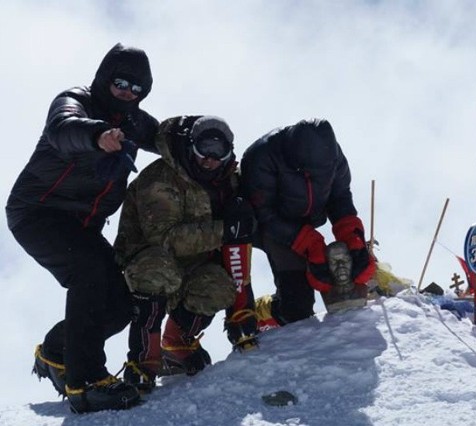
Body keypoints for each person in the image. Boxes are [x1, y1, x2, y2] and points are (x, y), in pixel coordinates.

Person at [5, 43, 158, 413]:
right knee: (87, 270)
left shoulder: (135, 121)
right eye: (121, 83)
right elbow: (63, 128)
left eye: (137, 89)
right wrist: (96, 135)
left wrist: (201, 136)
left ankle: (58, 352)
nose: (127, 93)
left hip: (83, 226)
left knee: (121, 304)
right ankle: (85, 382)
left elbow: (168, 137)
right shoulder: (76, 101)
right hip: (37, 213)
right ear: (106, 78)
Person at [114, 115, 257, 392]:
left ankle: (176, 345)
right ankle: (143, 363)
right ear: (191, 146)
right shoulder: (160, 179)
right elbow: (164, 239)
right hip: (145, 258)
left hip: (193, 262)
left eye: (219, 152)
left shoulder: (227, 180)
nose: (210, 160)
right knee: (160, 271)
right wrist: (225, 230)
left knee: (218, 287)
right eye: (204, 150)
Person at [240, 118, 376, 328]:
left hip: (304, 221)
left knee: (339, 264)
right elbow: (264, 215)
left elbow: (340, 196)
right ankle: (260, 313)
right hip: (267, 227)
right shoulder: (262, 157)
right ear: (298, 165)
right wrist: (309, 243)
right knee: (296, 310)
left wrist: (353, 237)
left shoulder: (333, 157)